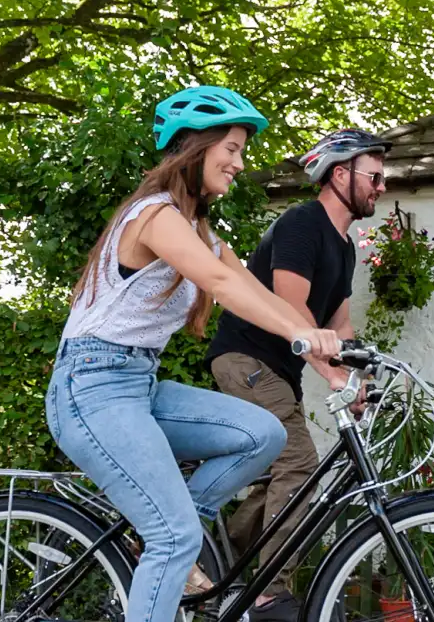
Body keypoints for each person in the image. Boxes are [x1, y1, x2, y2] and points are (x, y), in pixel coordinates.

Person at [47, 85, 342, 622]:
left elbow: (253, 290)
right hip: (90, 387)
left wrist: (329, 361)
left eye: (240, 151)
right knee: (175, 538)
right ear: (193, 147)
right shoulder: (155, 215)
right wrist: (304, 336)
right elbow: (217, 284)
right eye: (230, 148)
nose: (238, 162)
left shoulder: (198, 231)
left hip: (140, 386)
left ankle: (169, 528)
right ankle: (170, 539)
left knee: (264, 435)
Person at [205, 128, 390, 621]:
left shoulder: (344, 246)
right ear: (340, 174)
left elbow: (338, 322)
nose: (381, 186)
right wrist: (329, 373)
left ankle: (213, 563)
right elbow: (292, 305)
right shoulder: (301, 223)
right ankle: (267, 594)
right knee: (301, 464)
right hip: (246, 359)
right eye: (375, 176)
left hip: (275, 369)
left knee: (277, 484)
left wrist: (357, 376)